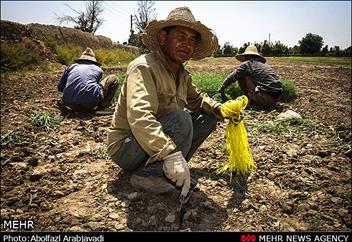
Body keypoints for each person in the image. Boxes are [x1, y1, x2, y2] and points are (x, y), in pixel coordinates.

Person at [107, 7, 222, 199]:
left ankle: (167, 170)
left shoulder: (183, 75)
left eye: (192, 40)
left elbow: (197, 99)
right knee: (181, 119)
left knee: (206, 119)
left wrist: (219, 108)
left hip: (154, 141)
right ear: (162, 38)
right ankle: (148, 175)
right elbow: (139, 115)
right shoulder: (143, 67)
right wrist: (170, 152)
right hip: (127, 147)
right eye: (181, 36)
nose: (187, 44)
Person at [217, 45, 283, 109]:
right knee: (251, 76)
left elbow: (233, 75)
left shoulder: (247, 64)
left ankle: (252, 101)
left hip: (265, 98)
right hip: (277, 97)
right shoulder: (265, 65)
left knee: (242, 76)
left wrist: (222, 87)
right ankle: (261, 101)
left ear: (247, 56)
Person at [57, 47, 119, 114]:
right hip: (90, 103)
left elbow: (60, 87)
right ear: (93, 60)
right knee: (114, 78)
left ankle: (70, 103)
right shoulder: (98, 69)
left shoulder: (71, 67)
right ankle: (103, 107)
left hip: (69, 103)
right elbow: (97, 86)